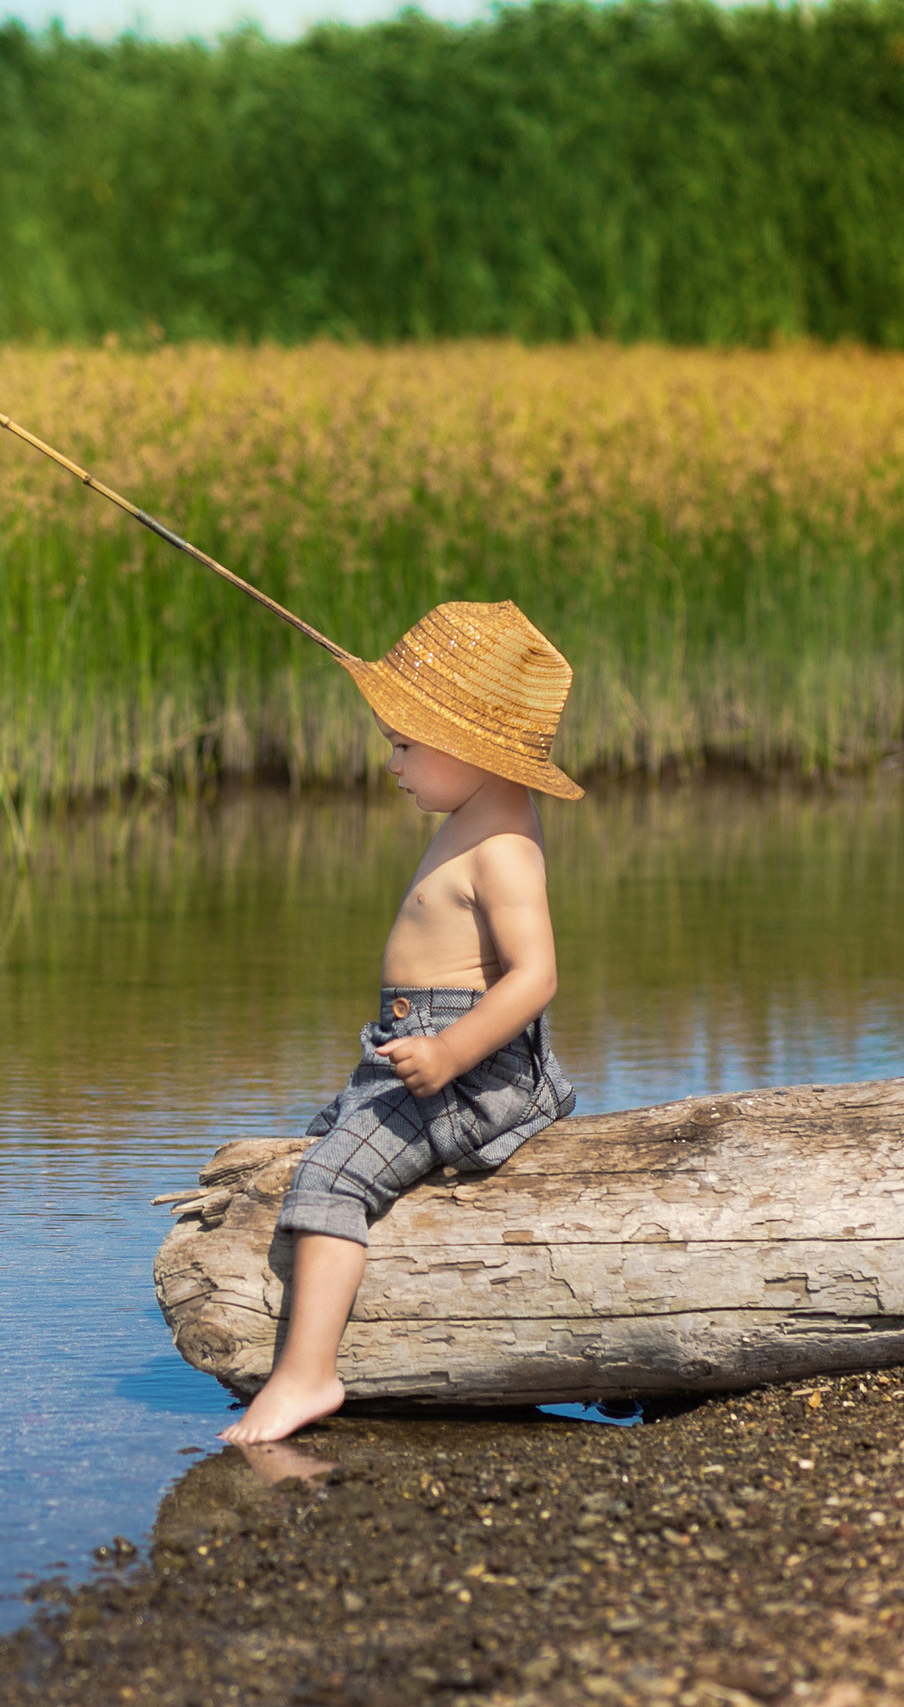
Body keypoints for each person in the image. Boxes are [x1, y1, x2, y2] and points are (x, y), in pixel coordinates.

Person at [219, 601, 583, 1445]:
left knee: (334, 1179)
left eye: (406, 745)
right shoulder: (475, 817)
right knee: (309, 1149)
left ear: (472, 748)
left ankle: (308, 1375)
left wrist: (451, 1050)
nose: (392, 763)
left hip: (469, 1064)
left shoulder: (504, 846)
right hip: (407, 1049)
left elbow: (536, 976)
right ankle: (300, 1326)